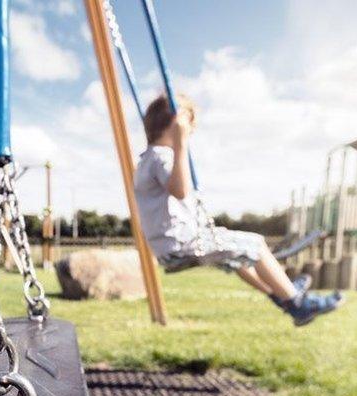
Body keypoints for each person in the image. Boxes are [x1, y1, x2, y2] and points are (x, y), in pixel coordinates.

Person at [134, 94, 343, 326]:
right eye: (189, 129)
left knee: (240, 261)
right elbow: (180, 190)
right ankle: (297, 303)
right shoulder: (163, 157)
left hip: (170, 248)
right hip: (184, 244)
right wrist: (180, 143)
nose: (190, 134)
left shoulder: (145, 160)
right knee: (256, 245)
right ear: (176, 126)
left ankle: (281, 295)